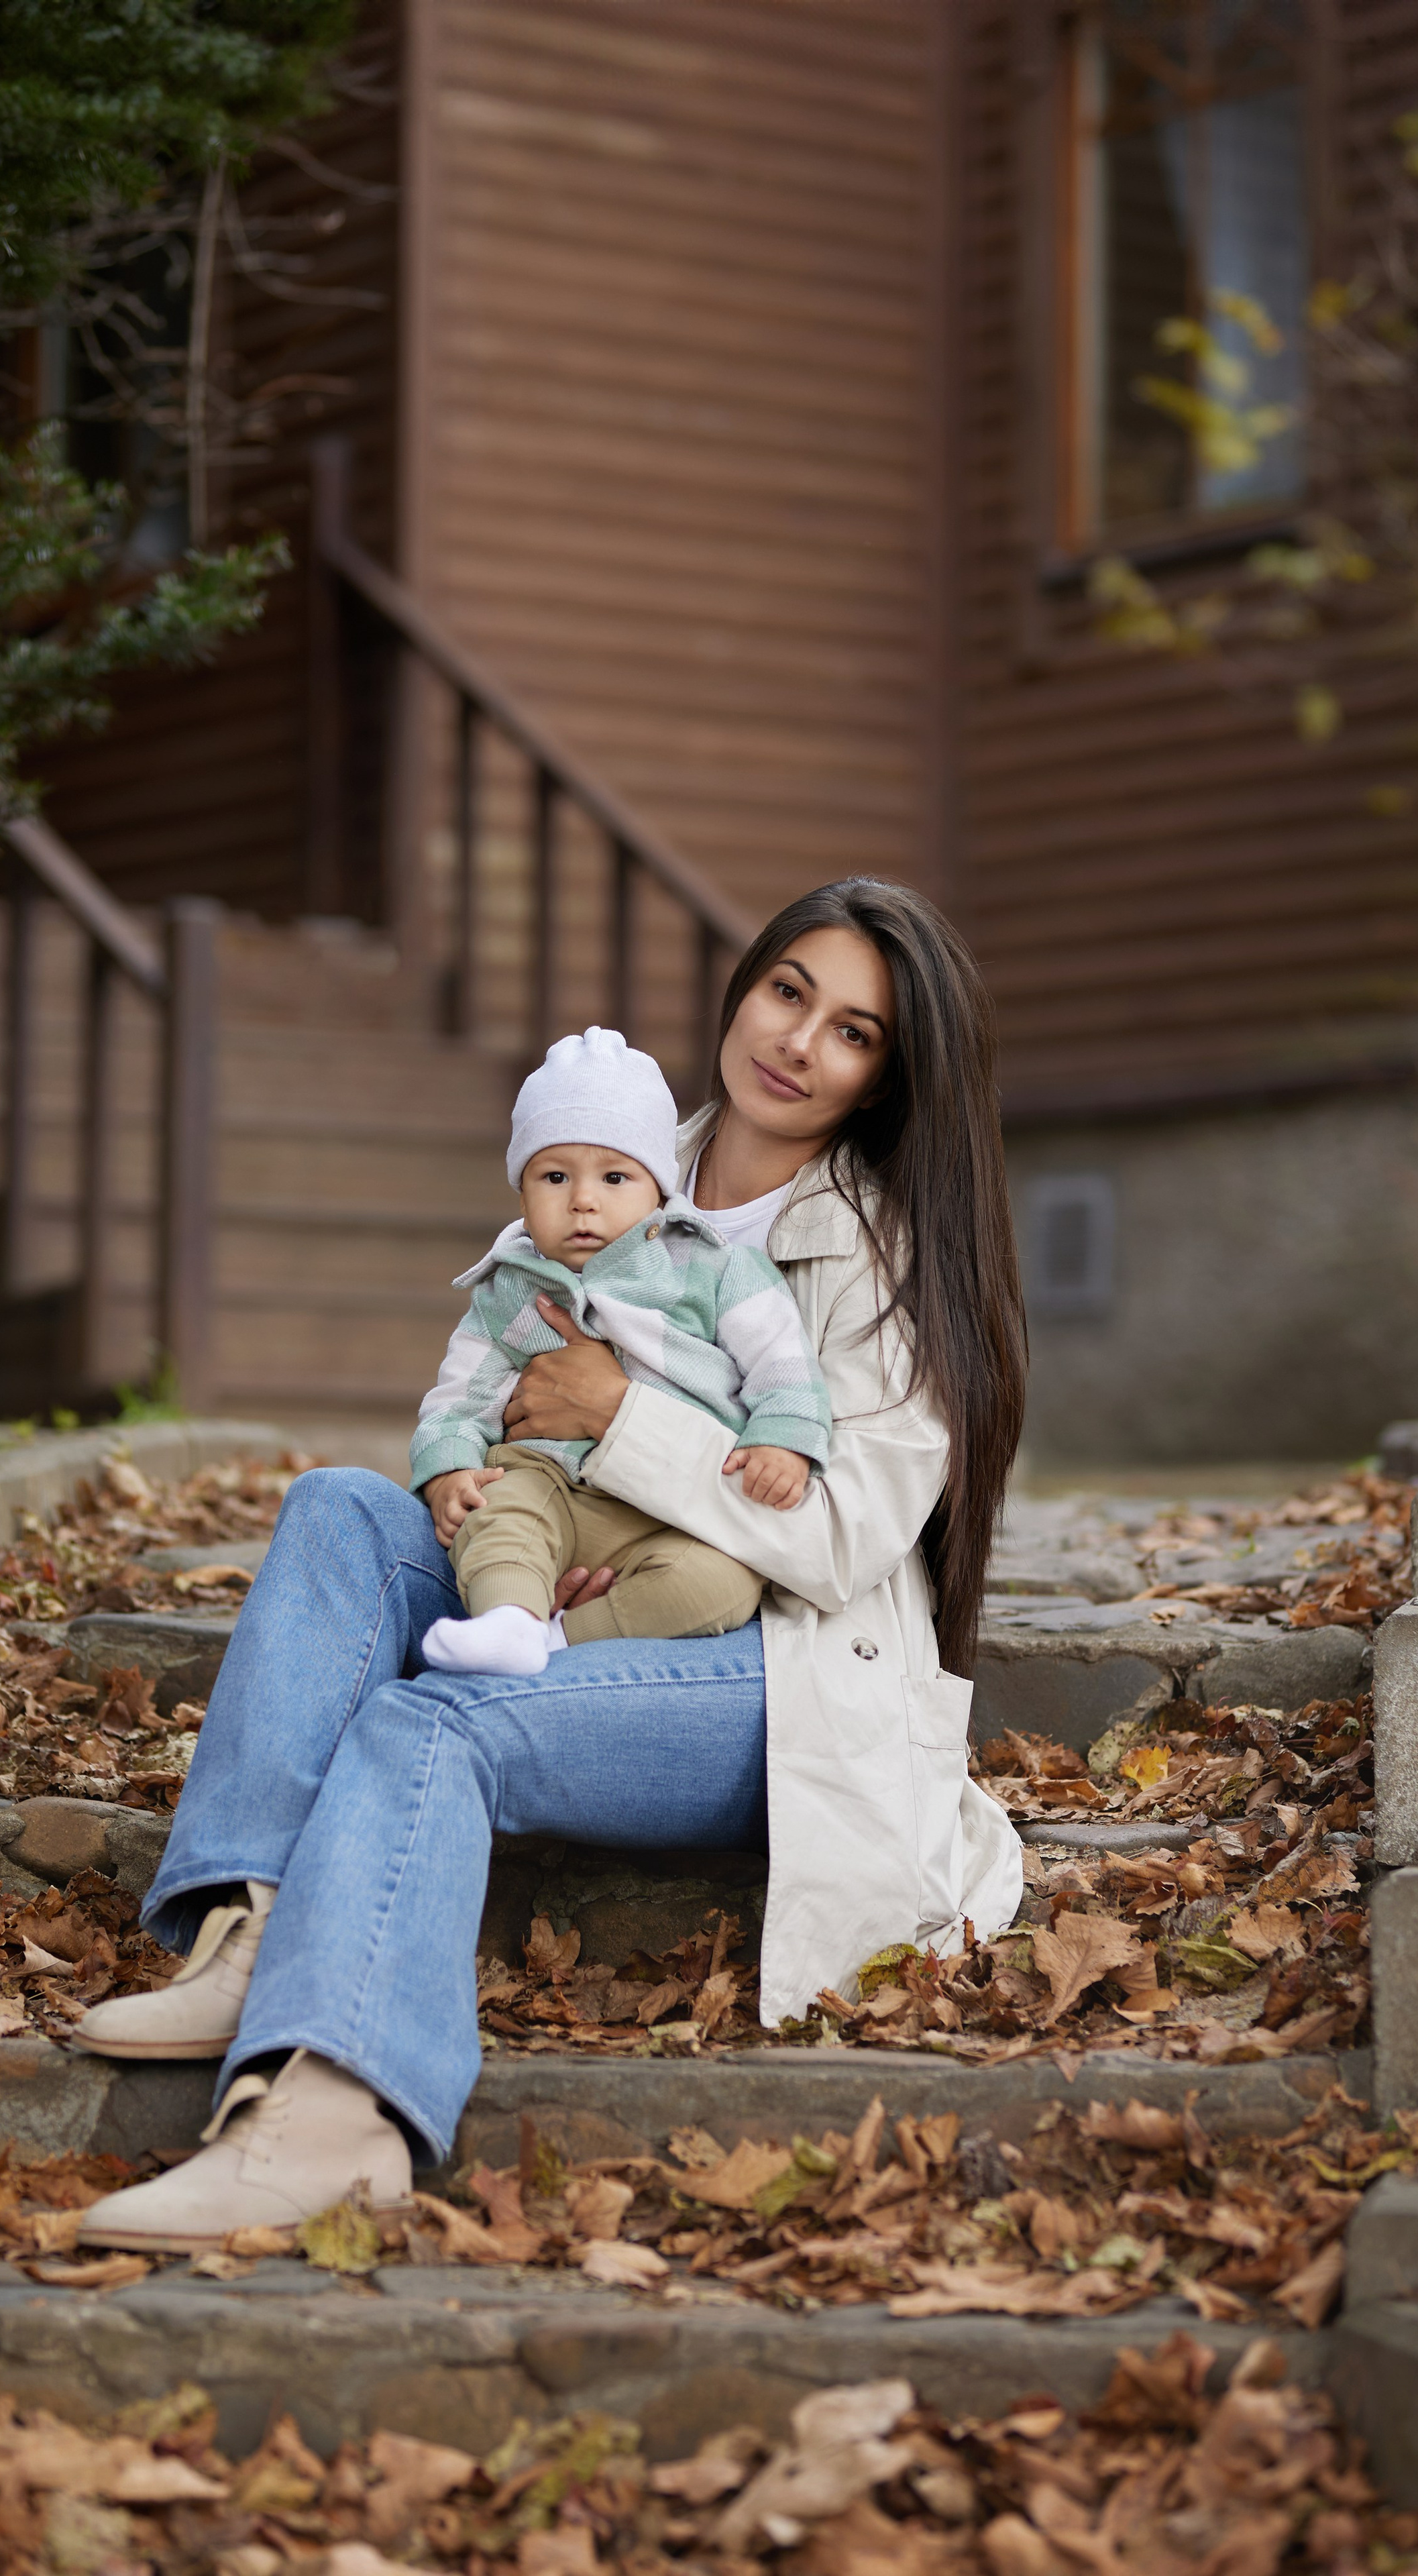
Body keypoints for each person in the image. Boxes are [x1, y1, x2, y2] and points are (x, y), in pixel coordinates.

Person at [74, 876, 1028, 2253]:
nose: (796, 1041)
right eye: (785, 992)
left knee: (431, 1719)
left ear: (885, 1080)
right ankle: (252, 1927)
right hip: (563, 1548)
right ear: (743, 985)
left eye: (852, 1032)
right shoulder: (616, 1150)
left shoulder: (883, 1258)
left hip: (764, 1668)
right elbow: (498, 1367)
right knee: (343, 1509)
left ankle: (333, 2124)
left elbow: (838, 1543)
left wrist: (619, 1422)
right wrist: (474, 1474)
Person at [414, 1022, 832, 1678]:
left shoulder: (714, 1269)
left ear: (657, 1191)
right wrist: (447, 1469)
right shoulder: (512, 1287)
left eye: (614, 1177)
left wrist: (784, 1437)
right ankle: (509, 1621)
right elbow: (460, 1394)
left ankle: (558, 1640)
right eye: (554, 1176)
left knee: (718, 1586)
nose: (583, 1201)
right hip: (548, 1480)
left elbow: (783, 1364)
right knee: (497, 1515)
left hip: (675, 1513)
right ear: (521, 1193)